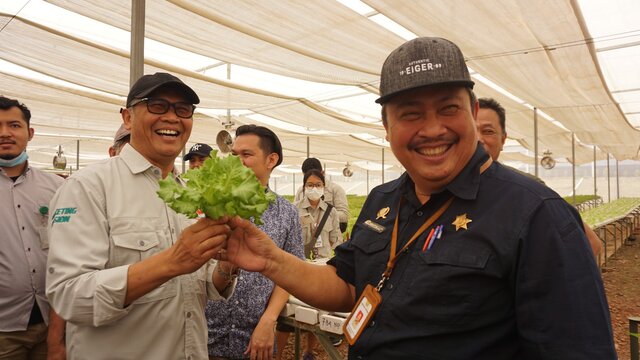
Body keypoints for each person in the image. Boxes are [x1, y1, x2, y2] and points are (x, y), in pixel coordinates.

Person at [223, 37, 617, 359]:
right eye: (410, 113)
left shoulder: (536, 213)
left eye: (448, 108)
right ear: (386, 125)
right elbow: (346, 285)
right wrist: (272, 261)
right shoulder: (385, 198)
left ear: (472, 110)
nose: (432, 129)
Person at [45, 72, 236, 360]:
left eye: (183, 109)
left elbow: (199, 284)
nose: (172, 117)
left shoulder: (189, 194)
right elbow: (70, 296)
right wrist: (170, 263)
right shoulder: (89, 187)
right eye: (157, 105)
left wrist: (228, 264)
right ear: (128, 118)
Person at [205, 124, 303, 360]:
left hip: (253, 341)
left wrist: (268, 321)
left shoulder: (286, 213)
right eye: (234, 155)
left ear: (271, 160)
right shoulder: (211, 203)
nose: (238, 162)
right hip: (206, 337)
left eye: (246, 155)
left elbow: (291, 272)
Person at [477, 97, 602, 257]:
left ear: (503, 139)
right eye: (471, 131)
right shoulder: (441, 187)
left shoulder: (529, 188)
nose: (478, 139)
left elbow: (591, 243)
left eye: (488, 131)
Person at [0, 96, 66, 360]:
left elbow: (70, 249)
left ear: (30, 133)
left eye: (14, 125)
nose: (4, 133)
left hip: (53, 321)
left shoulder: (56, 187)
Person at [296, 168, 342, 360]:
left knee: (317, 307)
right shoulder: (295, 209)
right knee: (298, 307)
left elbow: (336, 240)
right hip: (302, 263)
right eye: (310, 185)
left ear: (324, 187)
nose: (314, 188)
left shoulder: (331, 212)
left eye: (318, 185)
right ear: (304, 186)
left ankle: (309, 350)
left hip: (322, 264)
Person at [294, 158, 349, 232]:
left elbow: (344, 216)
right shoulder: (301, 191)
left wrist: (321, 216)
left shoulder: (335, 189)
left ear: (323, 173)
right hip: (305, 236)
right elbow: (294, 212)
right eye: (307, 177)